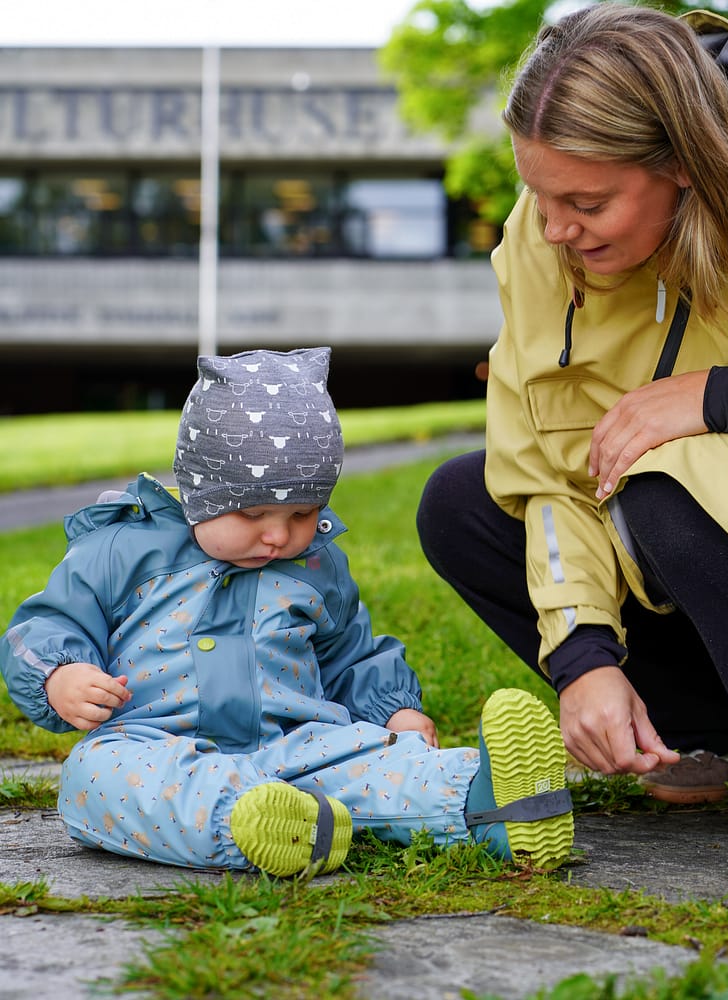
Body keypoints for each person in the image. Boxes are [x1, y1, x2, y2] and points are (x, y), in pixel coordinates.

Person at [416, 3, 728, 836]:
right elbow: (552, 467)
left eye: (586, 202)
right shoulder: (547, 232)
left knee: (668, 478)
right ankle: (711, 733)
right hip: (724, 540)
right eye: (538, 192)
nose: (553, 228)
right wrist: (583, 654)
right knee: (464, 503)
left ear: (686, 164)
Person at [0, 347, 573, 875]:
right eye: (252, 516)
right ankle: (242, 823)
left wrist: (394, 713)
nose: (279, 536)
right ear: (201, 492)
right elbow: (47, 625)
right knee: (94, 779)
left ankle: (486, 799)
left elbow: (353, 652)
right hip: (153, 746)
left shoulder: (318, 565)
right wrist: (58, 674)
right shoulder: (121, 548)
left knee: (374, 762)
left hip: (296, 746)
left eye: (303, 513)